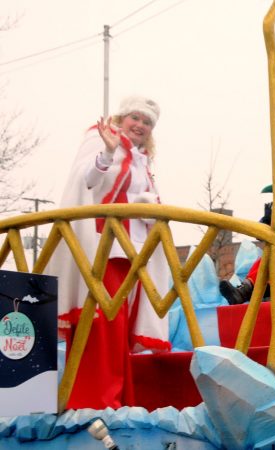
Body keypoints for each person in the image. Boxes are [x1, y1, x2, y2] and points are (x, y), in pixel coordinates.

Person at [50, 95, 170, 409]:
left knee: (117, 329)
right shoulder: (100, 140)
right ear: (121, 117)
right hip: (103, 248)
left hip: (132, 254)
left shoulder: (143, 160)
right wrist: (107, 150)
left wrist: (149, 209)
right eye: (136, 118)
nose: (141, 125)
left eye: (147, 122)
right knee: (101, 323)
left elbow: (145, 201)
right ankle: (94, 400)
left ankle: (117, 397)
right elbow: (87, 180)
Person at [219, 182, 275, 304]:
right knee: (262, 261)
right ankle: (245, 289)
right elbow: (259, 235)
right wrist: (265, 221)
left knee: (271, 259)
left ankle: (248, 290)